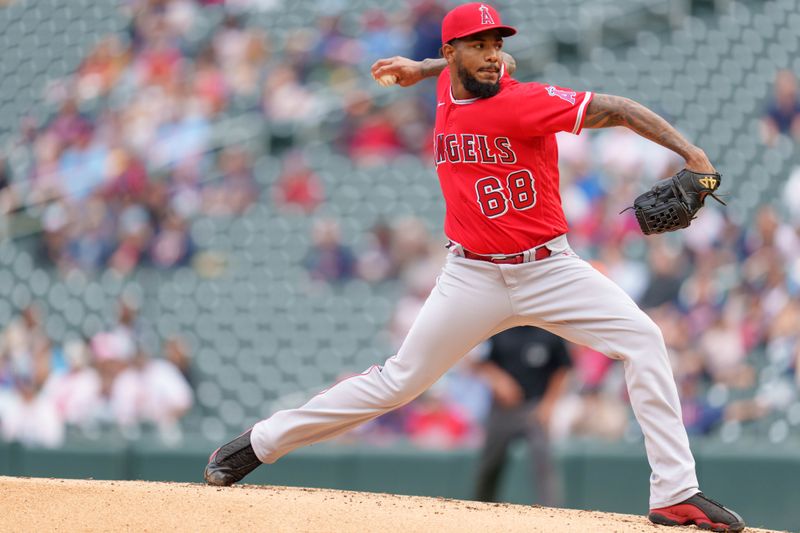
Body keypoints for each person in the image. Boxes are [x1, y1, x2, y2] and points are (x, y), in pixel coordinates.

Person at [204, 4, 745, 531]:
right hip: (471, 277)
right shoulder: (446, 84)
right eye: (479, 45)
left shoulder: (522, 102)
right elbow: (453, 68)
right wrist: (423, 69)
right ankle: (260, 444)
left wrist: (693, 154)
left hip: (549, 270)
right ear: (451, 52)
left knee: (644, 340)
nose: (493, 56)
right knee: (397, 382)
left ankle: (675, 494)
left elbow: (620, 108)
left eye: (497, 45)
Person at [472, 326, 570, 506]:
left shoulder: (549, 330)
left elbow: (563, 368)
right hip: (503, 409)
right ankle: (478, 508)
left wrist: (549, 403)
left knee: (543, 462)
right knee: (490, 464)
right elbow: (481, 362)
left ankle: (552, 515)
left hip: (535, 408)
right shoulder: (501, 327)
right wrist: (499, 380)